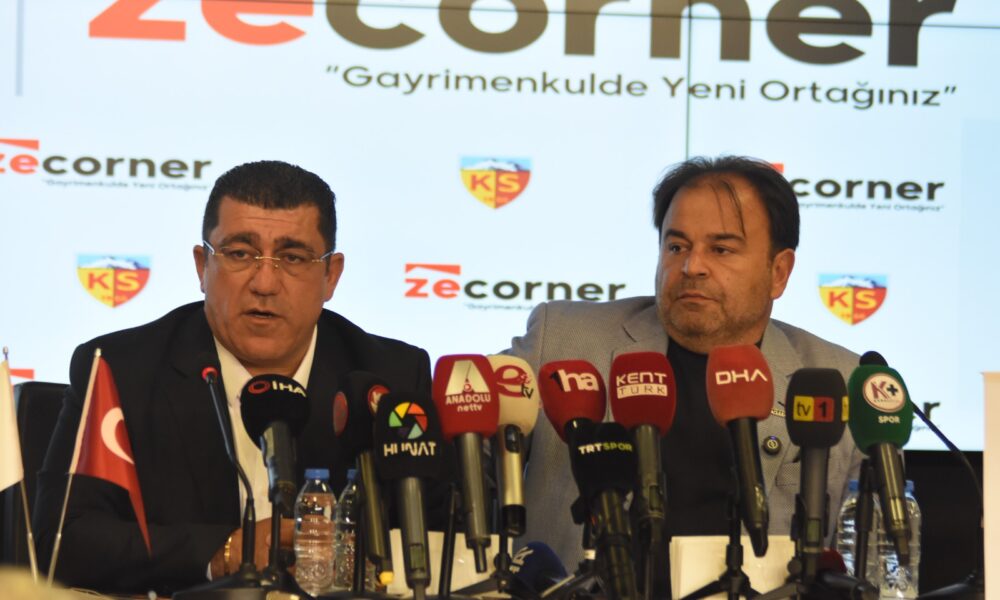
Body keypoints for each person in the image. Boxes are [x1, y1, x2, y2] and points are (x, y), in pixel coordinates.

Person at [33, 161, 432, 594]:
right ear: (202, 265)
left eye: (293, 258)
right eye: (240, 254)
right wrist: (223, 551)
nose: (265, 283)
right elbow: (63, 540)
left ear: (330, 276)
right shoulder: (120, 370)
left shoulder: (389, 377)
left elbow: (438, 538)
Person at [508, 156, 864, 569]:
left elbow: (869, 564)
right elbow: (471, 441)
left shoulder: (839, 380)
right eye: (676, 247)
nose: (692, 267)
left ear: (779, 272)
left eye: (721, 249)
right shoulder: (560, 340)